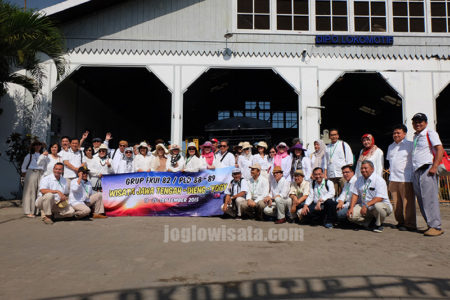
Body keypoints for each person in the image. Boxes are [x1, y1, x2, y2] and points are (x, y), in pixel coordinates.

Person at [411, 113, 444, 236]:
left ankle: (436, 226)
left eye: (420, 121)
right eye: (415, 122)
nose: (418, 124)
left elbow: (440, 149)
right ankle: (430, 225)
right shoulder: (416, 136)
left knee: (429, 199)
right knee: (421, 200)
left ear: (426, 122)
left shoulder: (430, 133)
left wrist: (434, 166)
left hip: (427, 168)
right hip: (417, 170)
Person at [347, 160, 392, 233]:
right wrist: (351, 208)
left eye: (365, 168)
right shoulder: (359, 180)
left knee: (378, 206)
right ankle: (369, 222)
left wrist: (366, 206)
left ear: (372, 169)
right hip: (365, 206)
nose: (363, 170)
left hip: (379, 206)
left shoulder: (379, 180)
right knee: (351, 216)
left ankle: (379, 224)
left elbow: (380, 198)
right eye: (362, 168)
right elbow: (355, 195)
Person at [386, 124, 416, 231]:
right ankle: (400, 222)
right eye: (394, 133)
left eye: (398, 133)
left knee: (408, 203)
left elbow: (414, 161)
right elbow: (390, 162)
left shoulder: (410, 145)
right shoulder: (391, 146)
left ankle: (410, 224)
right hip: (393, 179)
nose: (396, 135)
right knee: (397, 203)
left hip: (406, 179)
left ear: (404, 133)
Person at [323, 128, 353, 196]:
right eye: (332, 135)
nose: (333, 136)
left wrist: (348, 173)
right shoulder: (327, 147)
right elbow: (325, 162)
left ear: (338, 136)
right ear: (329, 137)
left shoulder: (343, 144)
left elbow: (350, 160)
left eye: (335, 135)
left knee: (346, 193)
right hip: (331, 175)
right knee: (332, 194)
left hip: (342, 174)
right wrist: (325, 174)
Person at [21, 140, 44, 217]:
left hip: (40, 174)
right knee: (30, 192)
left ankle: (36, 211)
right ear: (33, 146)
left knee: (38, 192)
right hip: (31, 172)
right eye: (36, 145)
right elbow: (23, 167)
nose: (38, 146)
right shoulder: (29, 155)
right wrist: (25, 175)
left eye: (39, 145)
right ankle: (29, 211)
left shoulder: (43, 155)